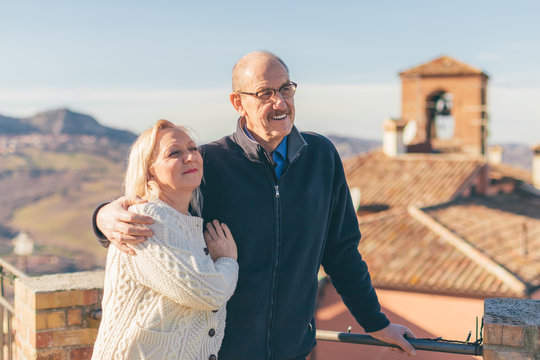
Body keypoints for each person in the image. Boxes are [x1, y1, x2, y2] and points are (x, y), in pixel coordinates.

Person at [94, 51, 417, 359]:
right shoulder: (210, 162)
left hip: (293, 349)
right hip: (221, 350)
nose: (280, 103)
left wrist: (375, 323)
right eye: (265, 93)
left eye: (286, 89)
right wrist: (102, 216)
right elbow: (156, 207)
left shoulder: (321, 156)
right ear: (239, 103)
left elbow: (342, 250)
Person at [91, 120, 239, 360]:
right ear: (150, 169)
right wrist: (226, 261)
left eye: (192, 148)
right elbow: (208, 293)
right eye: (174, 153)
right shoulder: (146, 220)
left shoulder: (185, 221)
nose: (190, 157)